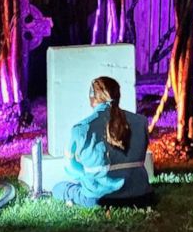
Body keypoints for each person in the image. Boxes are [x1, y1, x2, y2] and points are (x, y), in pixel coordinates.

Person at [51, 76, 152, 208]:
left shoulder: (81, 128)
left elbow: (71, 167)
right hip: (141, 195)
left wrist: (87, 177)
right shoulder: (141, 122)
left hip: (99, 198)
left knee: (59, 188)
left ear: (92, 98)